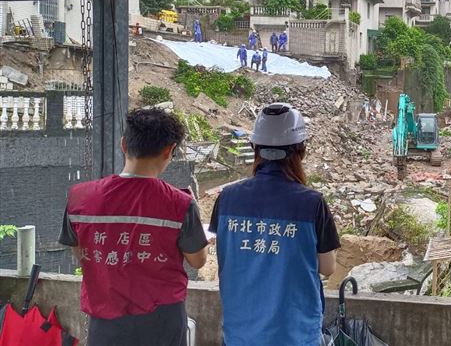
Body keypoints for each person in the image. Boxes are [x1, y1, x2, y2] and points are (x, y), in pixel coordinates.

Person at [59, 108, 208, 346]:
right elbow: (198, 261)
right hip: (163, 321)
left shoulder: (79, 198)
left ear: (123, 144)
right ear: (169, 151)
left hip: (105, 319)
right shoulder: (180, 203)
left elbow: (81, 251)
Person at [210, 103, 340, 345]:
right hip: (295, 334)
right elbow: (328, 267)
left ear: (255, 148)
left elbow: (226, 253)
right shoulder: (312, 204)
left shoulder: (227, 198)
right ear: (301, 151)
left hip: (240, 334)